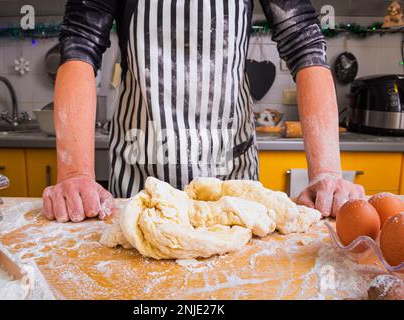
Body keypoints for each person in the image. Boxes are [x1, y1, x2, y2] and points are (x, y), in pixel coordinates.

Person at [42, 0, 365, 223]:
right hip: (140, 178)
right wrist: (75, 175)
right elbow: (80, 46)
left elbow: (304, 44)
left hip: (231, 180)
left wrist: (327, 173)